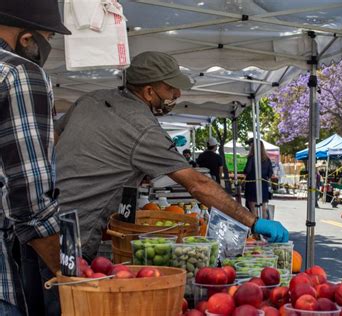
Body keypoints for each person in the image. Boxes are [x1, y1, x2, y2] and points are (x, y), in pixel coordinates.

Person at [55, 52, 289, 262]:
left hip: (43, 217)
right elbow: (197, 184)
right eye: (170, 88)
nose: (178, 94)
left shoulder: (91, 98)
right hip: (74, 234)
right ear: (148, 91)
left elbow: (54, 136)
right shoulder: (142, 127)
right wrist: (253, 221)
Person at [0, 0, 71, 315]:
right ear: (27, 38)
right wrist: (69, 273)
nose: (49, 46)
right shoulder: (18, 73)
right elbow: (30, 200)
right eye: (49, 37)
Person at [243, 139, 273, 218]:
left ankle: (256, 228)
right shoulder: (267, 159)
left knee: (253, 210)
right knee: (263, 210)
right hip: (263, 185)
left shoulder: (252, 158)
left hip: (252, 186)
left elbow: (247, 170)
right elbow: (270, 173)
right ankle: (264, 228)